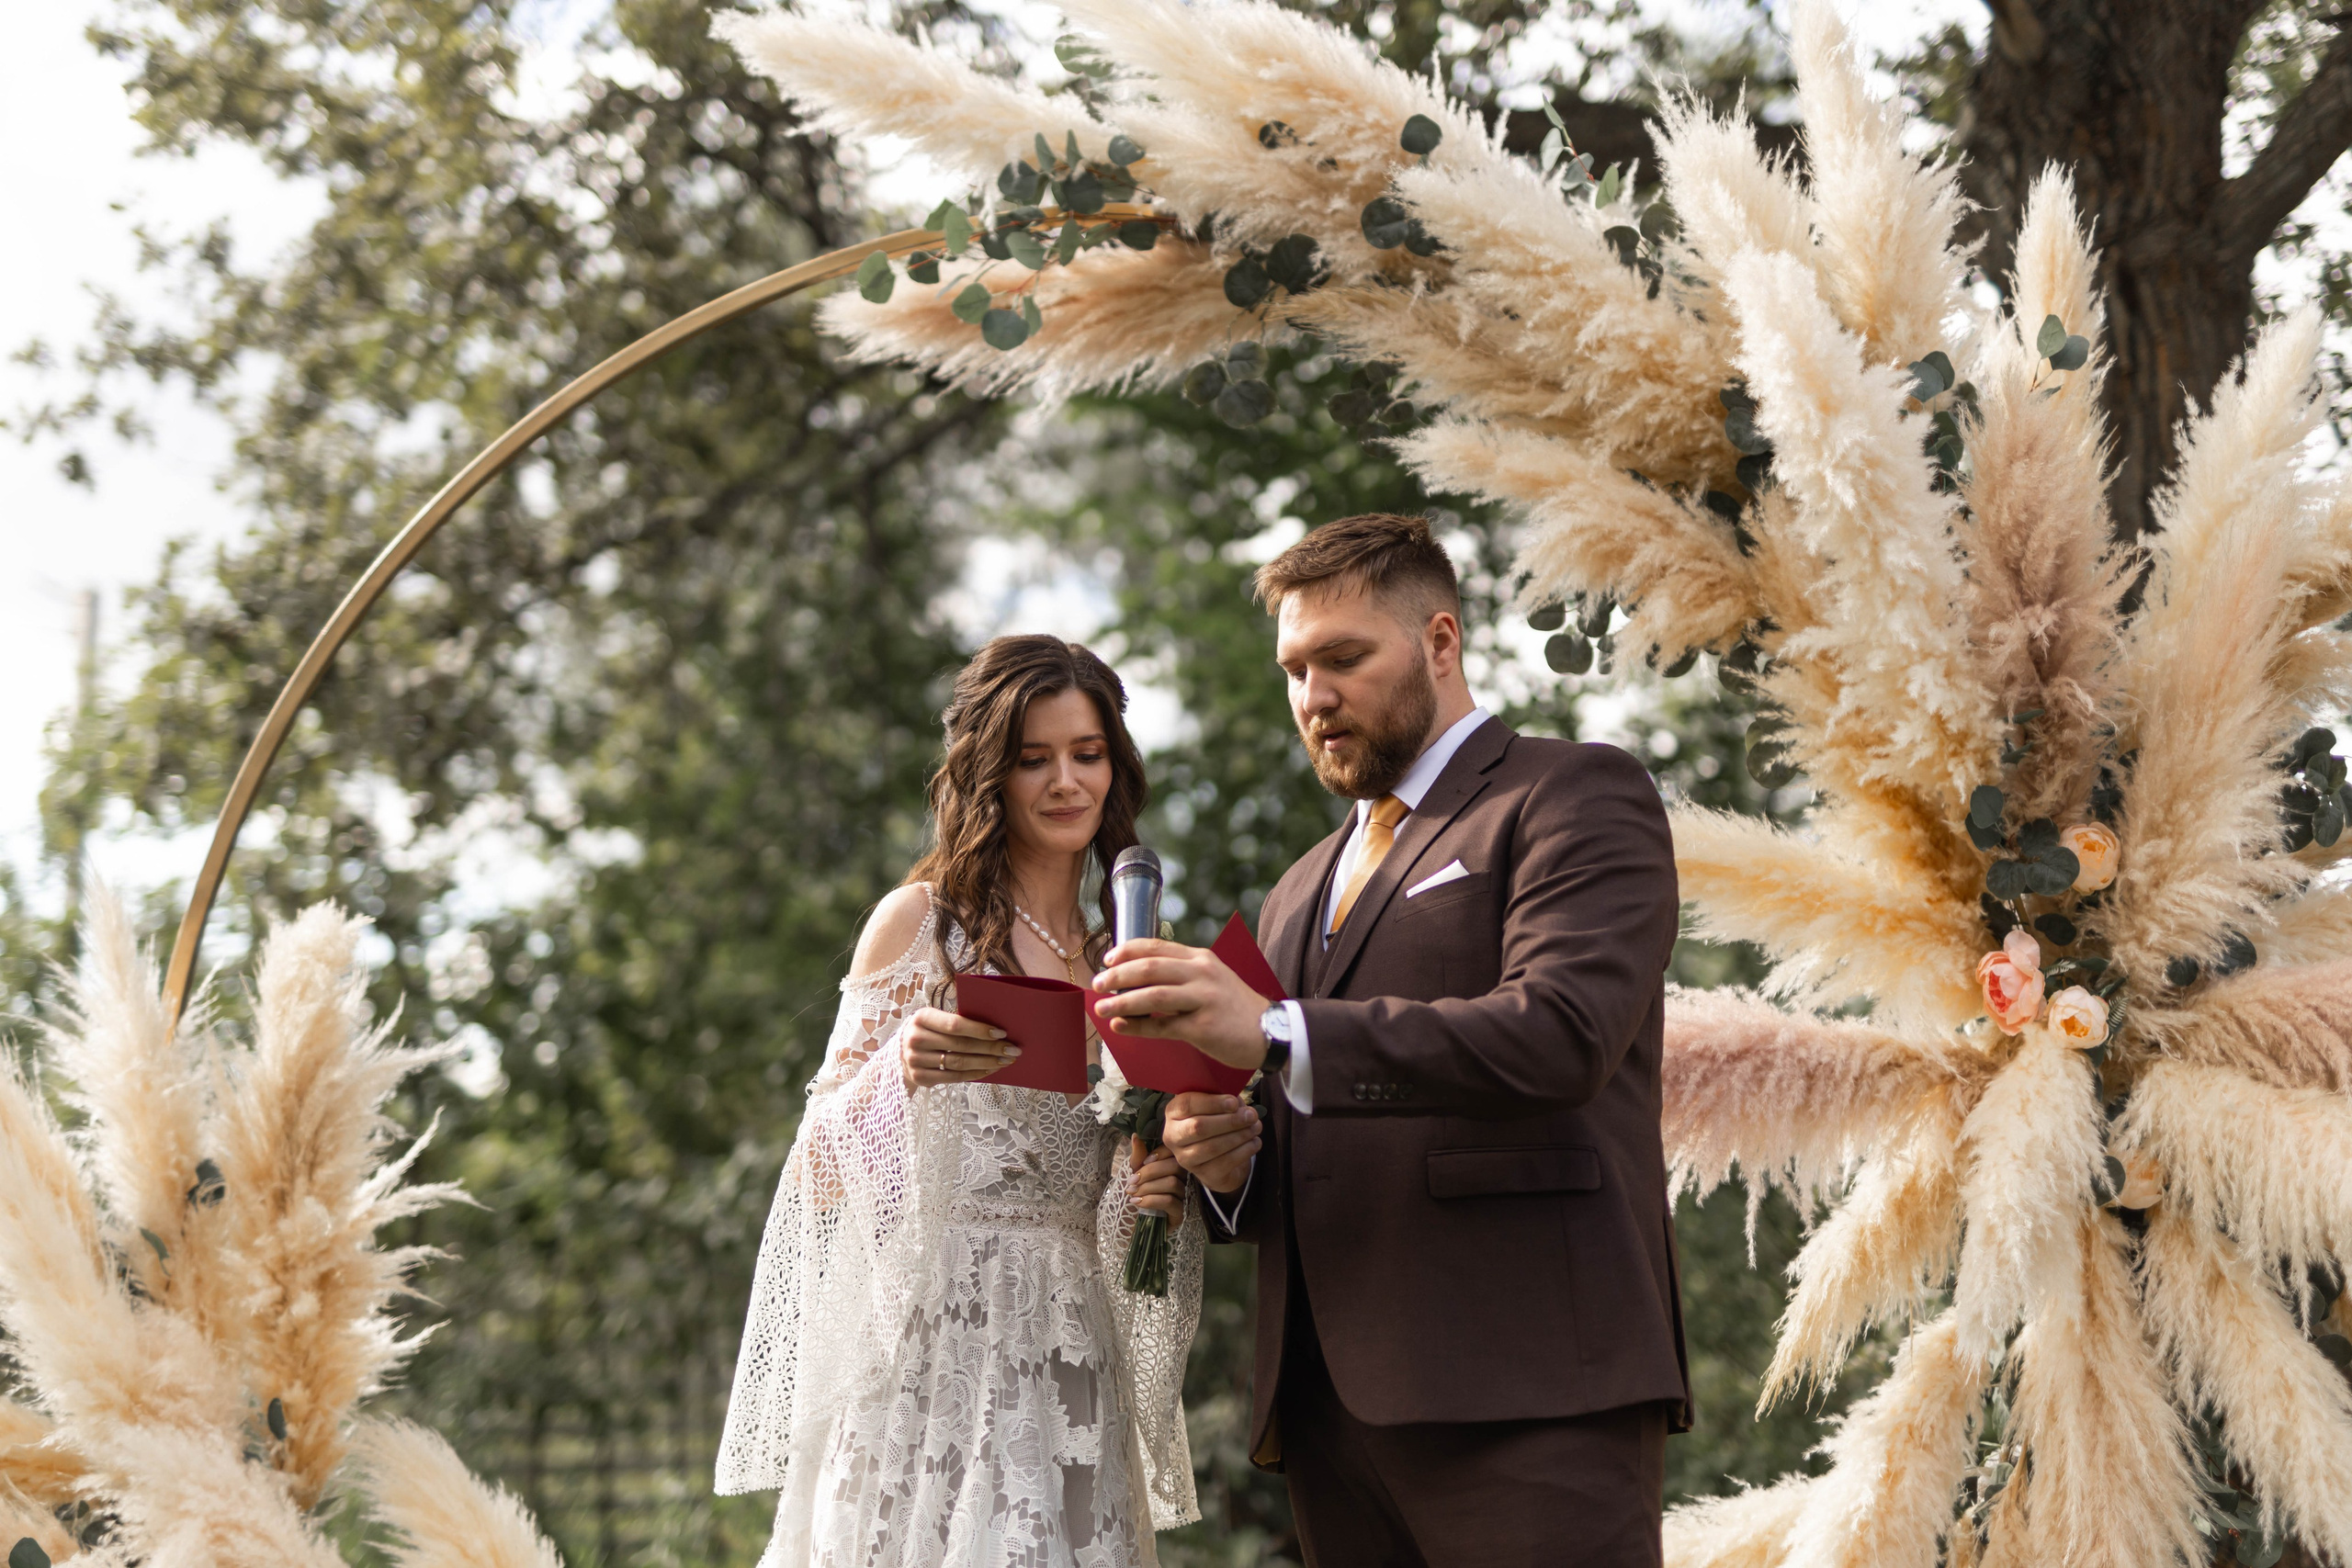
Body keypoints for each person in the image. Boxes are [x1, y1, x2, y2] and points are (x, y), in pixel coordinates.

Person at [1091, 514, 1690, 1568]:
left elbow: (1561, 1036)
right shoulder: (1296, 891)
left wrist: (1271, 1028)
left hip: (1531, 1387)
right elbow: (1307, 1138)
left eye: (1343, 658)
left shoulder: (1573, 793)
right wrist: (1227, 1166)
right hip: (1328, 1416)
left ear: (1439, 642)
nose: (1312, 696)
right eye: (1293, 669)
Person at [715, 635, 1204, 1568]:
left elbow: (1108, 1197)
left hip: (1070, 1349)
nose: (1065, 781)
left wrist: (1153, 1192)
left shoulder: (1130, 958)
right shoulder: (920, 926)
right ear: (991, 774)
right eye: (1034, 759)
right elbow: (816, 1178)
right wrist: (895, 1072)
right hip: (934, 1351)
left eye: (1087, 754)